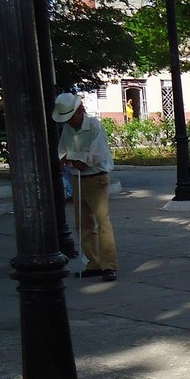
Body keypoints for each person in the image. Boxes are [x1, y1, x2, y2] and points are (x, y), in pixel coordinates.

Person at [52, 92, 118, 282]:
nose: (69, 121)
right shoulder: (68, 129)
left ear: (80, 111)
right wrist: (75, 158)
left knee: (102, 222)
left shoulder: (95, 126)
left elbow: (95, 156)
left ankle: (109, 265)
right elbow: (62, 152)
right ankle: (93, 263)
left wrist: (73, 158)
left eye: (71, 117)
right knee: (83, 224)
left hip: (96, 179)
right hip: (77, 178)